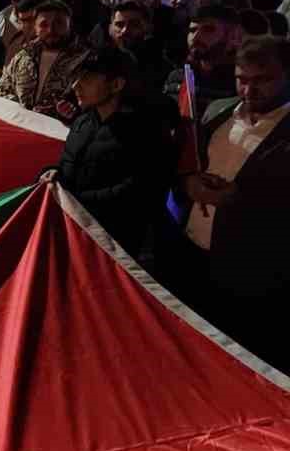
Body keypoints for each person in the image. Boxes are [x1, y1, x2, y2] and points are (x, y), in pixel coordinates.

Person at [170, 36, 290, 360]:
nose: (249, 91)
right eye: (242, 79)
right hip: (191, 254)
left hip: (252, 274)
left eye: (262, 80)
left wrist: (239, 199)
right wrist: (188, 183)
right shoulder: (218, 111)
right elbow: (187, 163)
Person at [50, 47, 169, 253]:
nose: (76, 86)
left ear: (116, 84)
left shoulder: (145, 132)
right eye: (76, 78)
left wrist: (77, 199)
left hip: (112, 245)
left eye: (86, 79)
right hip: (71, 230)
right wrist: (51, 174)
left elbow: (137, 192)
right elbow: (68, 167)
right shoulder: (82, 122)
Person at [0, 0, 91, 120]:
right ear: (35, 27)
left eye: (59, 23)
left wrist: (72, 111)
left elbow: (95, 104)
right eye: (44, 24)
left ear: (70, 24)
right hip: (22, 126)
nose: (51, 30)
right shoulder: (23, 56)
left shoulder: (87, 59)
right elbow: (2, 89)